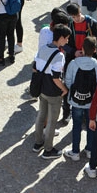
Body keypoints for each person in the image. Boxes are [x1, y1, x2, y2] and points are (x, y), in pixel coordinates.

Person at [32, 24, 71, 159]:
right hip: (54, 92)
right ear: (60, 38)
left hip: (42, 89)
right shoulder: (59, 55)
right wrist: (64, 89)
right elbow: (56, 78)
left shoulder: (42, 48)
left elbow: (35, 68)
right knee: (52, 121)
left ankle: (38, 143)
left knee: (41, 116)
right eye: (66, 38)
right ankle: (48, 150)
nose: (67, 41)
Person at [64, 36, 97, 161]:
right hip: (91, 102)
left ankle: (75, 152)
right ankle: (89, 150)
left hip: (76, 101)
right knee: (91, 125)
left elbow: (68, 81)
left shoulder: (73, 63)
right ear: (94, 50)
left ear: (82, 48)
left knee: (76, 125)